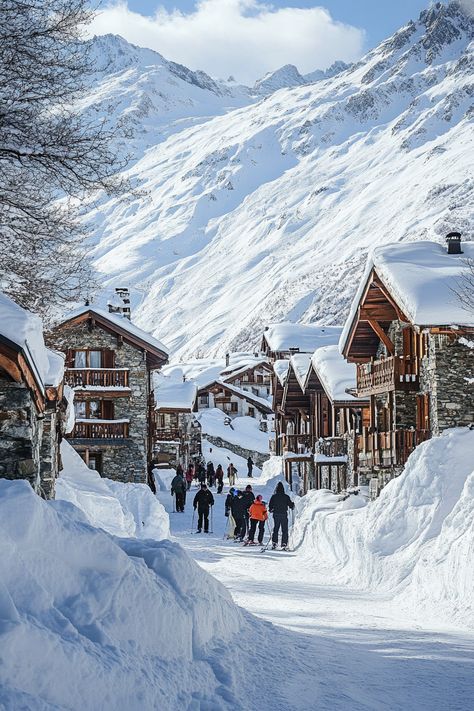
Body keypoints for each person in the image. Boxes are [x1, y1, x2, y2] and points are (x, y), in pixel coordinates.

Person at [269, 481, 295, 550]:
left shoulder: (274, 497)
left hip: (276, 514)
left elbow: (270, 506)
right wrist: (292, 505)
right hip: (283, 514)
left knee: (276, 529)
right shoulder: (286, 496)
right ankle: (284, 543)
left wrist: (271, 509)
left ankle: (274, 543)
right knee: (284, 529)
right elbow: (291, 505)